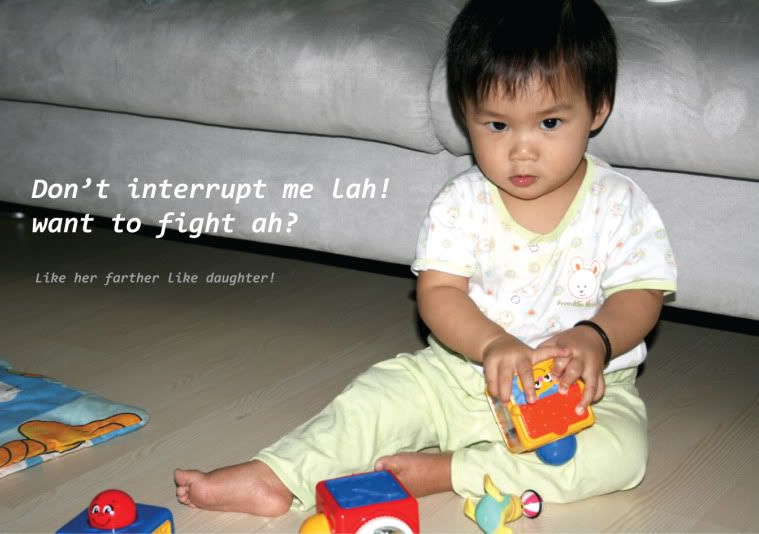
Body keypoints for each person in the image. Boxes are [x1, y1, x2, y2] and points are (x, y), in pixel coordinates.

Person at [174, 0, 677, 515]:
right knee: (376, 397)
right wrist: (492, 343)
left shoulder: (618, 202)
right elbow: (438, 292)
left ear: (598, 108)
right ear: (465, 114)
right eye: (497, 125)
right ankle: (278, 474)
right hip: (460, 377)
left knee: (620, 455)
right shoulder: (462, 202)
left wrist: (595, 338)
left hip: (583, 392)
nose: (521, 150)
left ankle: (449, 471)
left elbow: (641, 293)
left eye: (549, 122)